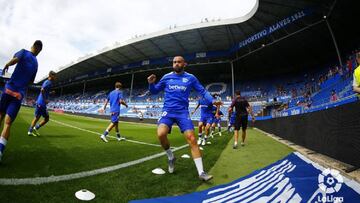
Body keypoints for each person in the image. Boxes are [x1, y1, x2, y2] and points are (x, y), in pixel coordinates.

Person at [147, 56, 221, 181]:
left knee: (192, 139)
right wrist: (151, 83)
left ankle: (201, 172)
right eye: (174, 62)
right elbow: (154, 91)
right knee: (161, 134)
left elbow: (202, 91)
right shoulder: (166, 77)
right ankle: (171, 157)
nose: (176, 64)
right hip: (168, 111)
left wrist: (212, 100)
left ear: (184, 64)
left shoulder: (191, 78)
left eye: (179, 62)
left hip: (183, 113)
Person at [0, 40, 43, 162]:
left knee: (0, 116)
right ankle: (0, 151)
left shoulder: (24, 52)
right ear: (38, 50)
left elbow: (15, 59)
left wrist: (8, 64)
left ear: (32, 46)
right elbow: (31, 81)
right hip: (18, 95)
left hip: (9, 89)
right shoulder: (36, 63)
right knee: (8, 123)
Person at [28, 71, 56, 136]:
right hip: (41, 103)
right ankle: (32, 129)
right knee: (40, 118)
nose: (55, 77)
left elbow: (45, 91)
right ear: (51, 75)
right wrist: (45, 100)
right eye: (54, 76)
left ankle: (33, 129)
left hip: (41, 103)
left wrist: (50, 93)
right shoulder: (48, 82)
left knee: (42, 118)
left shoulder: (49, 82)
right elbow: (42, 90)